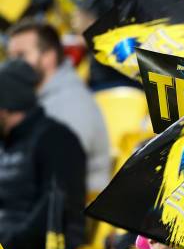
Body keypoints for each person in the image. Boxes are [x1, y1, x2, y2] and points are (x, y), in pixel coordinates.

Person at [6, 19, 111, 197]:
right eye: (11, 58)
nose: (12, 66)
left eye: (21, 55)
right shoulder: (34, 99)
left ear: (49, 57)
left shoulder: (72, 103)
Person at [0, 59, 86, 249]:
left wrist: (6, 246)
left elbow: (52, 211)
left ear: (6, 107)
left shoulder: (56, 140)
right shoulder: (6, 143)